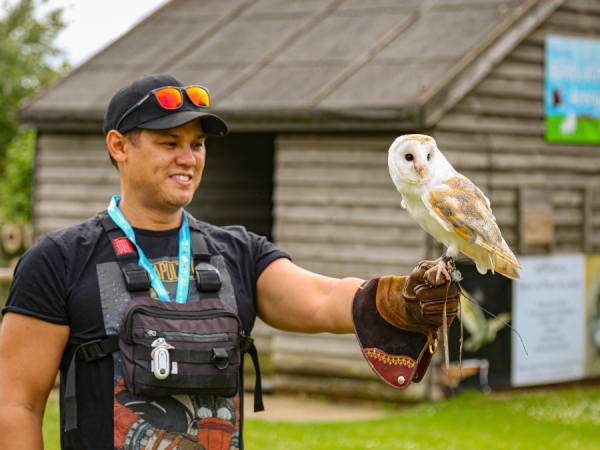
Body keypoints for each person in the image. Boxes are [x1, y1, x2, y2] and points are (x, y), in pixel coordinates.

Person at [0, 74, 459, 450]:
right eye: (169, 142)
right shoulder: (59, 261)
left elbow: (323, 298)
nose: (188, 158)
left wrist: (397, 298)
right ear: (119, 146)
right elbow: (14, 406)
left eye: (197, 144)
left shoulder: (238, 254)